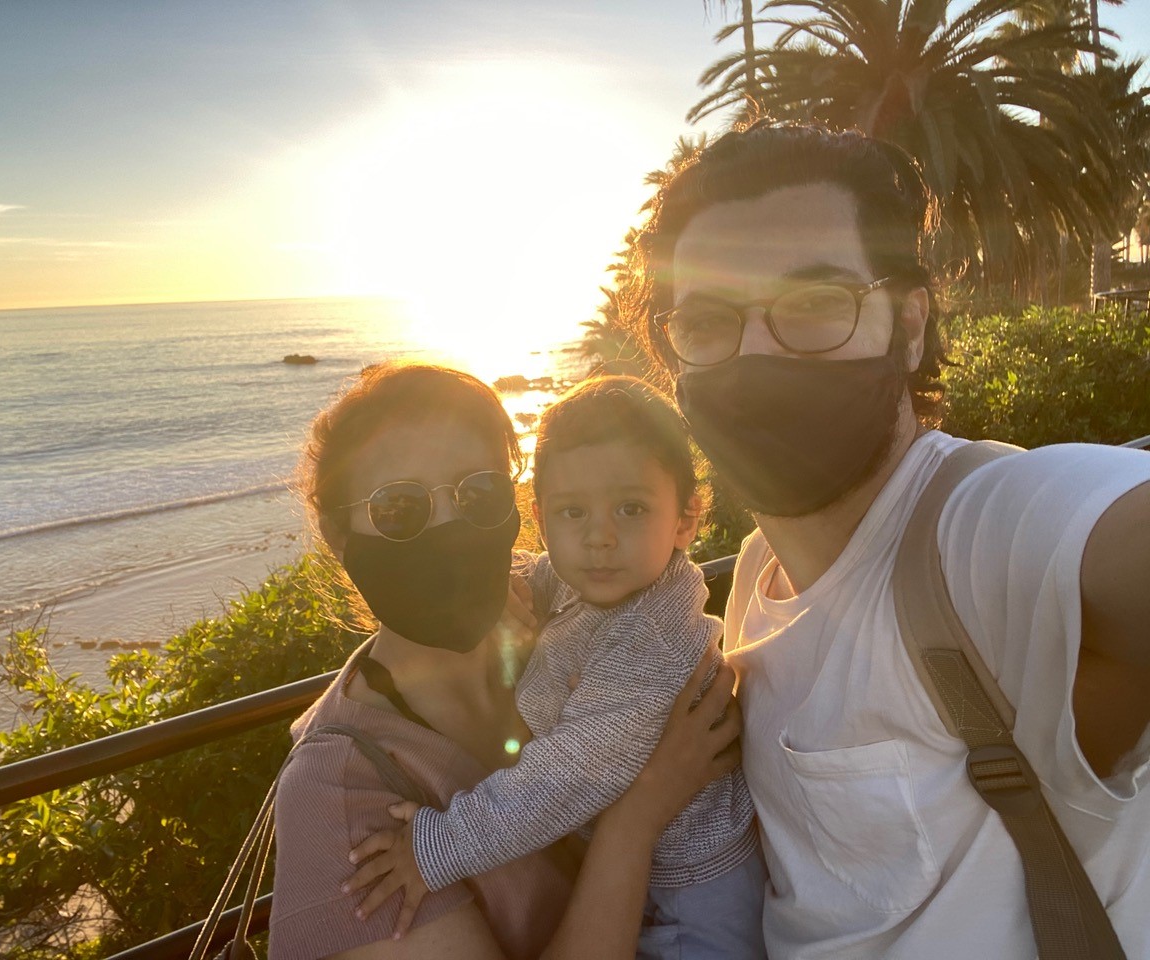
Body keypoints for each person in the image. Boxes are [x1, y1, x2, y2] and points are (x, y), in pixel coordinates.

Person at [633, 120, 1150, 959]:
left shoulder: (982, 527)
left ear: (908, 327)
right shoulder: (756, 572)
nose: (757, 352)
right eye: (709, 321)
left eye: (815, 305)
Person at [268, 361, 744, 960]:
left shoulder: (564, 627)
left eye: (477, 494)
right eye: (399, 508)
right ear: (338, 535)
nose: (449, 530)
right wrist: (637, 816)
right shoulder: (338, 791)